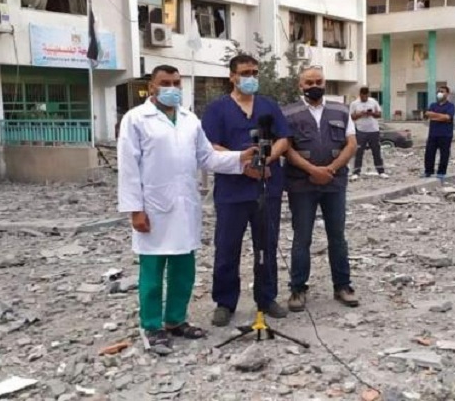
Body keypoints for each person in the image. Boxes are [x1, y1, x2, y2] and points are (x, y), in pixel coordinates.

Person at [117, 65, 255, 353]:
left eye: (176, 83)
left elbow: (207, 157)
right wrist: (134, 209)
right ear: (151, 86)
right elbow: (128, 167)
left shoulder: (190, 119)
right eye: (165, 83)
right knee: (152, 273)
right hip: (153, 207)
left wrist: (240, 157)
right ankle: (151, 326)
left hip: (184, 207)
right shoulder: (136, 119)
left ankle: (175, 320)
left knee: (183, 270)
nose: (172, 88)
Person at [202, 55, 291, 327]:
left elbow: (283, 139)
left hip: (266, 188)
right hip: (232, 191)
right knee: (227, 247)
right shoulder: (217, 109)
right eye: (245, 73)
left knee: (267, 245)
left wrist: (267, 160)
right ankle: (225, 302)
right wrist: (243, 164)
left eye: (254, 72)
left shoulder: (268, 106)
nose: (250, 77)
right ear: (232, 76)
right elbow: (210, 146)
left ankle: (266, 297)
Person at [283, 65, 359, 312]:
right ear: (300, 85)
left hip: (334, 183)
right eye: (309, 82)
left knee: (337, 236)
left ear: (325, 83)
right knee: (301, 237)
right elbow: (286, 148)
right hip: (301, 184)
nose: (314, 86)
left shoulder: (341, 110)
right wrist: (312, 170)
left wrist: (331, 170)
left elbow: (351, 144)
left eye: (318, 81)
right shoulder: (288, 113)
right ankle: (297, 288)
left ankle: (343, 286)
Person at [349, 87, 387, 181]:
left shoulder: (373, 102)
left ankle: (381, 171)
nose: (364, 98)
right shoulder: (354, 103)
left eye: (366, 96)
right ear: (360, 94)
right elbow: (351, 117)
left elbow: (379, 114)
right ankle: (356, 172)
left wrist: (371, 113)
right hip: (361, 130)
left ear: (368, 95)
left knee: (376, 152)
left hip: (373, 130)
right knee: (359, 152)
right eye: (363, 96)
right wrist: (360, 114)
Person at [423, 85, 455, 182]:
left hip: (445, 134)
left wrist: (434, 116)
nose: (439, 93)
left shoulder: (450, 106)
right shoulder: (433, 105)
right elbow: (427, 115)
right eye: (438, 91)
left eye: (442, 91)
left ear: (447, 94)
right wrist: (441, 117)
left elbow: (448, 117)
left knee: (444, 154)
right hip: (433, 134)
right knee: (429, 153)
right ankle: (428, 171)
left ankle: (441, 172)